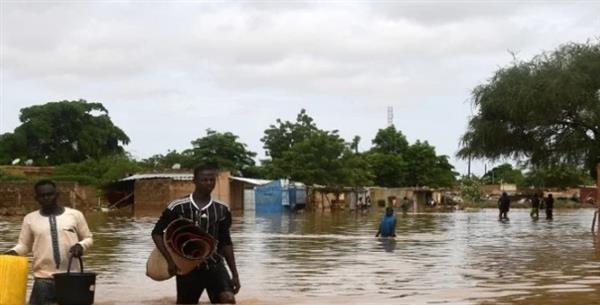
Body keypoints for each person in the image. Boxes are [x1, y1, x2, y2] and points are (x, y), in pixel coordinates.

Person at [152, 165, 240, 304]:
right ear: (195, 181)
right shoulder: (177, 207)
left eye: (212, 180)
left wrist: (235, 274)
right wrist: (170, 261)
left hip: (215, 265)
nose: (209, 183)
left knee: (228, 299)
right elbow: (157, 233)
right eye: (204, 180)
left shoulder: (222, 209)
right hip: (187, 268)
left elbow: (226, 242)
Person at [4, 180, 93, 305]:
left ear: (57, 195)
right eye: (42, 195)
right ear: (36, 198)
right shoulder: (30, 219)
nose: (46, 198)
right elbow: (24, 245)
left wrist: (80, 245)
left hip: (71, 277)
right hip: (43, 279)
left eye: (49, 194)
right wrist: (13, 252)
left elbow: (88, 238)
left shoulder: (74, 215)